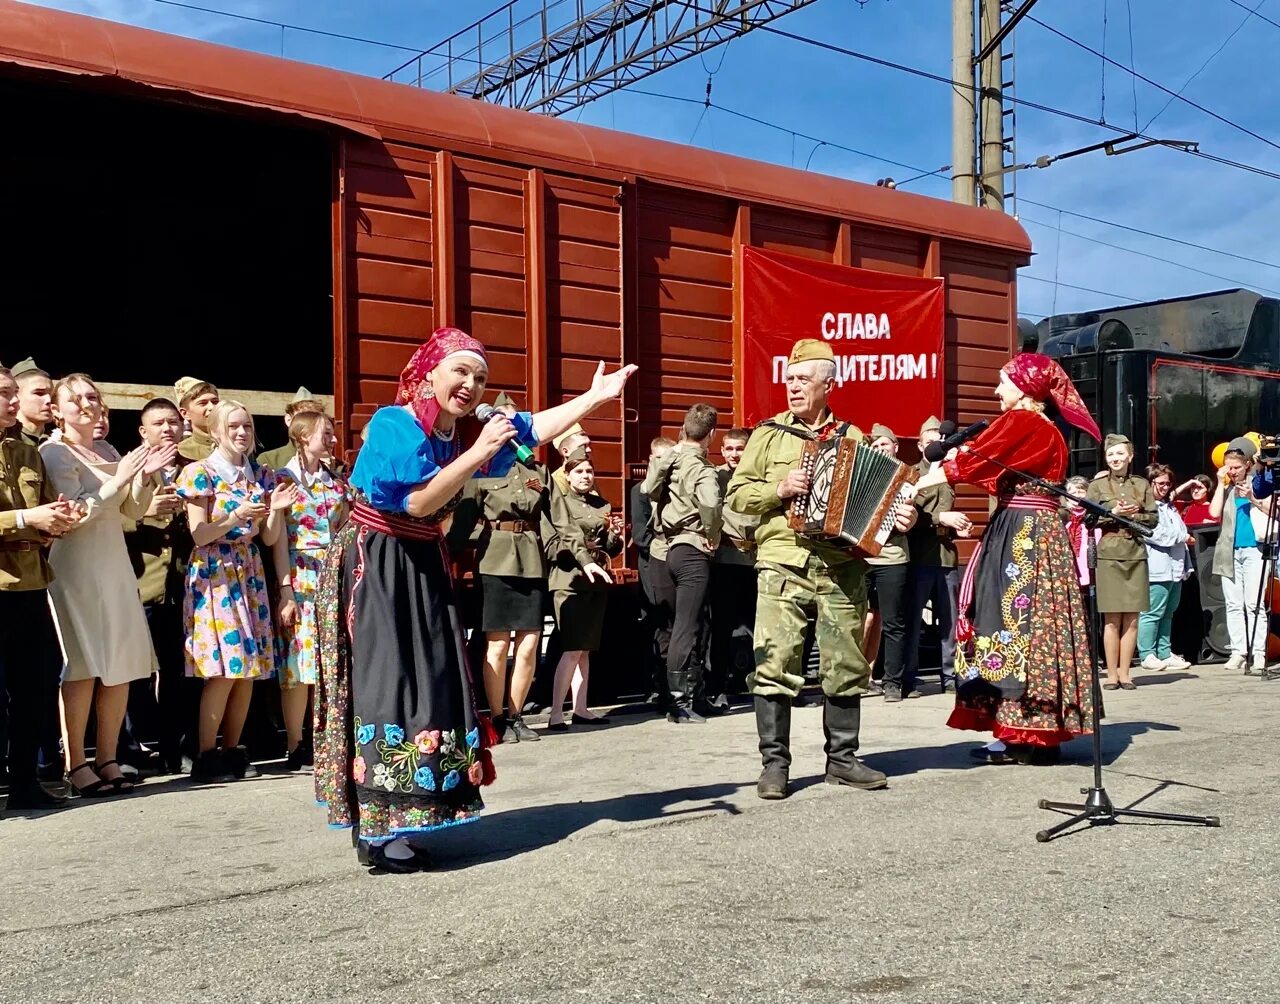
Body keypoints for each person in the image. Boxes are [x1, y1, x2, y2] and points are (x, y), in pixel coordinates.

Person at [312, 327, 635, 872]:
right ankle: (381, 824)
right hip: (379, 563)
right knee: (391, 683)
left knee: (431, 679)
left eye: (480, 377)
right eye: (460, 371)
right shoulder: (394, 425)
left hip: (420, 564)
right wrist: (478, 454)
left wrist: (595, 398)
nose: (470, 384)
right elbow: (416, 503)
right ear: (431, 373)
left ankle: (417, 809)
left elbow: (531, 428)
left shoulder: (461, 433)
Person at [727, 339, 912, 799]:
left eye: (803, 379)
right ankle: (774, 765)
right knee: (775, 661)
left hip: (840, 568)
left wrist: (899, 520)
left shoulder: (855, 439)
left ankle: (843, 760)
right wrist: (779, 488)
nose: (793, 386)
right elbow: (736, 496)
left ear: (830, 384)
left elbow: (879, 507)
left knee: (847, 662)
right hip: (783, 561)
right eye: (789, 379)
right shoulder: (768, 435)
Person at [911, 353, 1101, 765]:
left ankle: (1023, 730)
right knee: (1035, 626)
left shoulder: (1026, 422)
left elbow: (973, 461)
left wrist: (919, 484)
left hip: (1023, 533)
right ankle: (1031, 729)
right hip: (1035, 529)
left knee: (1011, 621)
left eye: (1003, 382)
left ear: (1026, 387)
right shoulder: (1044, 428)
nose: (997, 391)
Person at [41, 374, 175, 797]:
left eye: (91, 397)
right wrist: (120, 479)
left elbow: (130, 512)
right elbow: (76, 512)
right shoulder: (54, 452)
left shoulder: (108, 449)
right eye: (75, 398)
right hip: (77, 566)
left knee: (118, 663)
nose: (86, 403)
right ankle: (76, 761)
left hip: (114, 562)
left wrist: (144, 476)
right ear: (58, 410)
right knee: (82, 665)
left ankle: (109, 756)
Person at [176, 400, 295, 784]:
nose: (242, 433)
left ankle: (232, 749)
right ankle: (205, 753)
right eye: (234, 427)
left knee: (248, 670)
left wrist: (274, 509)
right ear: (214, 431)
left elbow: (269, 536)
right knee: (223, 670)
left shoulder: (259, 474)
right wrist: (233, 517)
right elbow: (198, 534)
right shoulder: (200, 472)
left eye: (247, 426)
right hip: (216, 571)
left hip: (249, 569)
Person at [447, 392, 554, 744]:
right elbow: (463, 522)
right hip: (495, 559)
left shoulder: (536, 470)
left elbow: (553, 518)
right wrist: (446, 555)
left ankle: (517, 714)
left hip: (532, 560)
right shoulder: (481, 469)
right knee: (497, 643)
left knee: (529, 642)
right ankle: (495, 718)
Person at [0, 365, 80, 811]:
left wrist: (58, 518)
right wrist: (28, 520)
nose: (13, 401)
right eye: (4, 393)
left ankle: (26, 781)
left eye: (15, 393)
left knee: (35, 683)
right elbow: (28, 515)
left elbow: (47, 506)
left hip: (30, 583)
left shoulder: (26, 453)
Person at [271, 409, 349, 770]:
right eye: (325, 433)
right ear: (303, 437)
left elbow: (345, 525)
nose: (332, 439)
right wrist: (285, 590)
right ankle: (296, 742)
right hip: (300, 572)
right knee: (298, 664)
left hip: (331, 571)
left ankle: (326, 735)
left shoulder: (334, 479)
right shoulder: (283, 478)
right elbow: (277, 540)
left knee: (329, 660)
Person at [125, 398, 197, 774]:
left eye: (173, 422)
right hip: (141, 581)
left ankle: (176, 747)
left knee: (176, 670)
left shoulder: (193, 469)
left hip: (183, 584)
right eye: (158, 423)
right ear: (143, 431)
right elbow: (109, 520)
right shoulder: (128, 468)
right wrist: (147, 511)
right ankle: (132, 748)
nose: (167, 429)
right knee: (133, 672)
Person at [642, 404, 721, 723]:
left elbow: (648, 489)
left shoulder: (667, 459)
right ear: (711, 435)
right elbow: (712, 504)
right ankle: (679, 702)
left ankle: (688, 696)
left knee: (679, 626)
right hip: (692, 548)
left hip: (668, 548)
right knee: (689, 627)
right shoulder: (702, 468)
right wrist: (712, 534)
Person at [546, 449, 623, 731]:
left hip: (596, 581)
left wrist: (614, 534)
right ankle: (556, 713)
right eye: (578, 471)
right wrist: (585, 550)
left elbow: (611, 548)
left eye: (589, 471)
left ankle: (581, 708)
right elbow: (552, 545)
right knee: (572, 647)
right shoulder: (559, 504)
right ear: (566, 475)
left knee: (585, 650)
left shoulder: (601, 505)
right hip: (569, 579)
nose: (585, 476)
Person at [904, 416, 971, 696]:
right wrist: (941, 517)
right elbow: (905, 515)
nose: (935, 448)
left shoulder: (949, 472)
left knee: (950, 621)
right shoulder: (911, 474)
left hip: (945, 555)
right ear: (920, 446)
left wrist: (960, 525)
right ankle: (908, 677)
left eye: (939, 443)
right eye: (930, 443)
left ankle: (950, 676)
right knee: (912, 621)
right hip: (920, 554)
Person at [1087, 435, 1157, 691]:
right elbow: (1089, 519)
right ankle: (1111, 674)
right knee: (1111, 618)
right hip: (1109, 553)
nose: (1115, 459)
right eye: (1110, 455)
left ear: (1130, 456)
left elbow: (1153, 518)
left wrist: (1134, 514)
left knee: (1133, 617)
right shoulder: (1097, 486)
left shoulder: (1142, 484)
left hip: (1136, 552)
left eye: (1119, 454)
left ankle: (1126, 673)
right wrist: (1112, 514)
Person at [861, 424, 917, 702]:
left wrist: (909, 517)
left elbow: (911, 512)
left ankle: (893, 682)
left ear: (895, 447)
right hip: (860, 556)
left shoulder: (906, 477)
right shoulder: (861, 475)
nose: (879, 448)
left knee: (894, 622)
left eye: (885, 444)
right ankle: (859, 676)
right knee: (857, 617)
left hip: (892, 557)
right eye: (875, 445)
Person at [1209, 441, 1276, 673]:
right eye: (1229, 467)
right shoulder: (1227, 488)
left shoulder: (1260, 485)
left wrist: (1253, 499)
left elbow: (1275, 512)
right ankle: (1238, 651)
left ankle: (1259, 653)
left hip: (1255, 549)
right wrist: (1219, 483)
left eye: (1236, 467)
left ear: (1247, 465)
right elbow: (1214, 512)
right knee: (1233, 604)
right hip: (1229, 550)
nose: (1232, 471)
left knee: (1254, 604)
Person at [709, 427, 759, 710]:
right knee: (722, 628)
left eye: (739, 449)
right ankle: (717, 687)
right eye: (728, 449)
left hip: (754, 561)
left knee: (760, 628)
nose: (733, 455)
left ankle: (763, 685)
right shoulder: (716, 478)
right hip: (726, 560)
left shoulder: (758, 477)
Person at [631, 436, 675, 711]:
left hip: (673, 560)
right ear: (650, 460)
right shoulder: (641, 491)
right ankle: (661, 688)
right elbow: (640, 534)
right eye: (659, 459)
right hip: (653, 564)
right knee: (659, 625)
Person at [1137, 464, 1194, 673]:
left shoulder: (1169, 507)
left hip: (1175, 567)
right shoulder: (1145, 508)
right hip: (1157, 567)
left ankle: (1164, 651)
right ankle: (1147, 654)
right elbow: (1153, 534)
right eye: (1160, 483)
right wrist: (1183, 537)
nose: (1165, 487)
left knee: (1168, 612)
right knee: (1152, 612)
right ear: (1150, 483)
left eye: (1168, 483)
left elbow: (1178, 529)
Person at [258, 389, 326, 471]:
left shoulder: (331, 462)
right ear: (288, 420)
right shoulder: (270, 460)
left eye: (314, 419)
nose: (309, 424)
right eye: (303, 418)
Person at [175, 377, 221, 462]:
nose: (212, 407)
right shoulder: (180, 453)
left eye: (215, 402)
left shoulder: (237, 444)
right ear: (185, 413)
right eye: (203, 403)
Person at [12, 358, 53, 449]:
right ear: (16, 395)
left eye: (51, 394)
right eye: (39, 393)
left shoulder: (61, 439)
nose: (49, 400)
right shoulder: (7, 441)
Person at [551, 424, 591, 495]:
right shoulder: (556, 482)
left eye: (589, 445)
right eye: (582, 446)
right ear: (565, 452)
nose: (589, 450)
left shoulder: (588, 474)